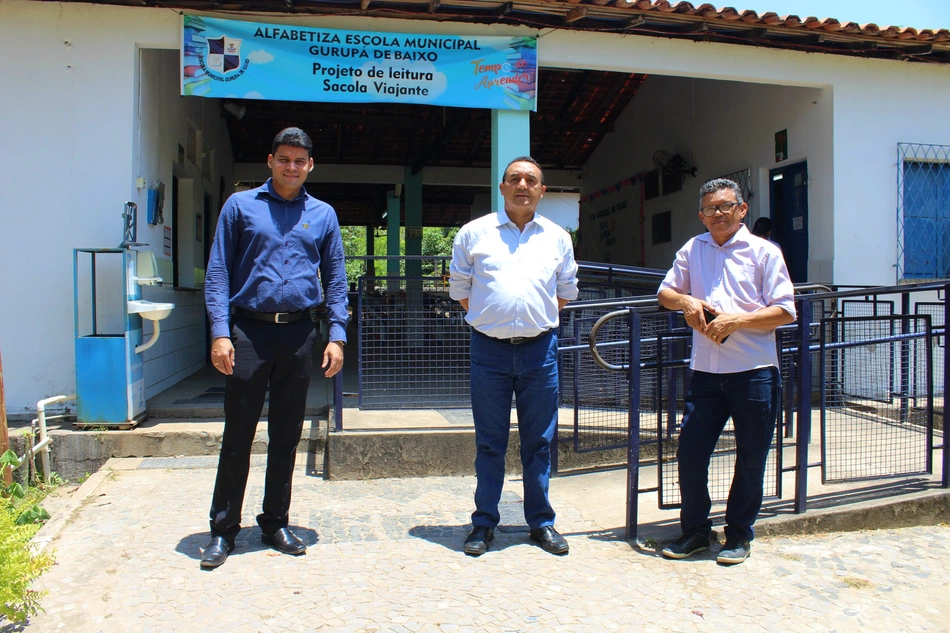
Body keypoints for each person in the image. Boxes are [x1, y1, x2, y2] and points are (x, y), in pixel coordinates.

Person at [200, 127, 348, 569]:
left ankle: (275, 522)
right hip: (248, 333)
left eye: (299, 161)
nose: (291, 167)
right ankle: (223, 530)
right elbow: (218, 273)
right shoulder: (240, 206)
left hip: (300, 334)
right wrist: (220, 332)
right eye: (284, 159)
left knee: (286, 435)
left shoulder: (322, 214)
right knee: (238, 435)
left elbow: (337, 278)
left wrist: (337, 335)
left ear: (310, 166)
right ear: (270, 161)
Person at [657, 178, 795, 565]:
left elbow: (785, 310)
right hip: (705, 371)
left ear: (741, 210)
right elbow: (664, 293)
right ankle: (697, 533)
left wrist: (739, 320)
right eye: (710, 209)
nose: (717, 214)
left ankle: (738, 536)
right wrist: (685, 299)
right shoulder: (693, 248)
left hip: (754, 371)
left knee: (751, 456)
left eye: (725, 207)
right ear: (701, 216)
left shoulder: (764, 252)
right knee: (691, 453)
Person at [449, 156, 579, 557]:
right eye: (514, 179)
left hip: (540, 352)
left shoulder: (558, 237)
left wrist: (530, 321)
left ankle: (541, 523)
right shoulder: (474, 234)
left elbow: (565, 292)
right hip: (488, 351)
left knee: (539, 442)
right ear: (502, 188)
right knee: (490, 442)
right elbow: (460, 289)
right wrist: (496, 320)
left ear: (542, 190)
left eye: (532, 180)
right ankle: (484, 523)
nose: (523, 185)